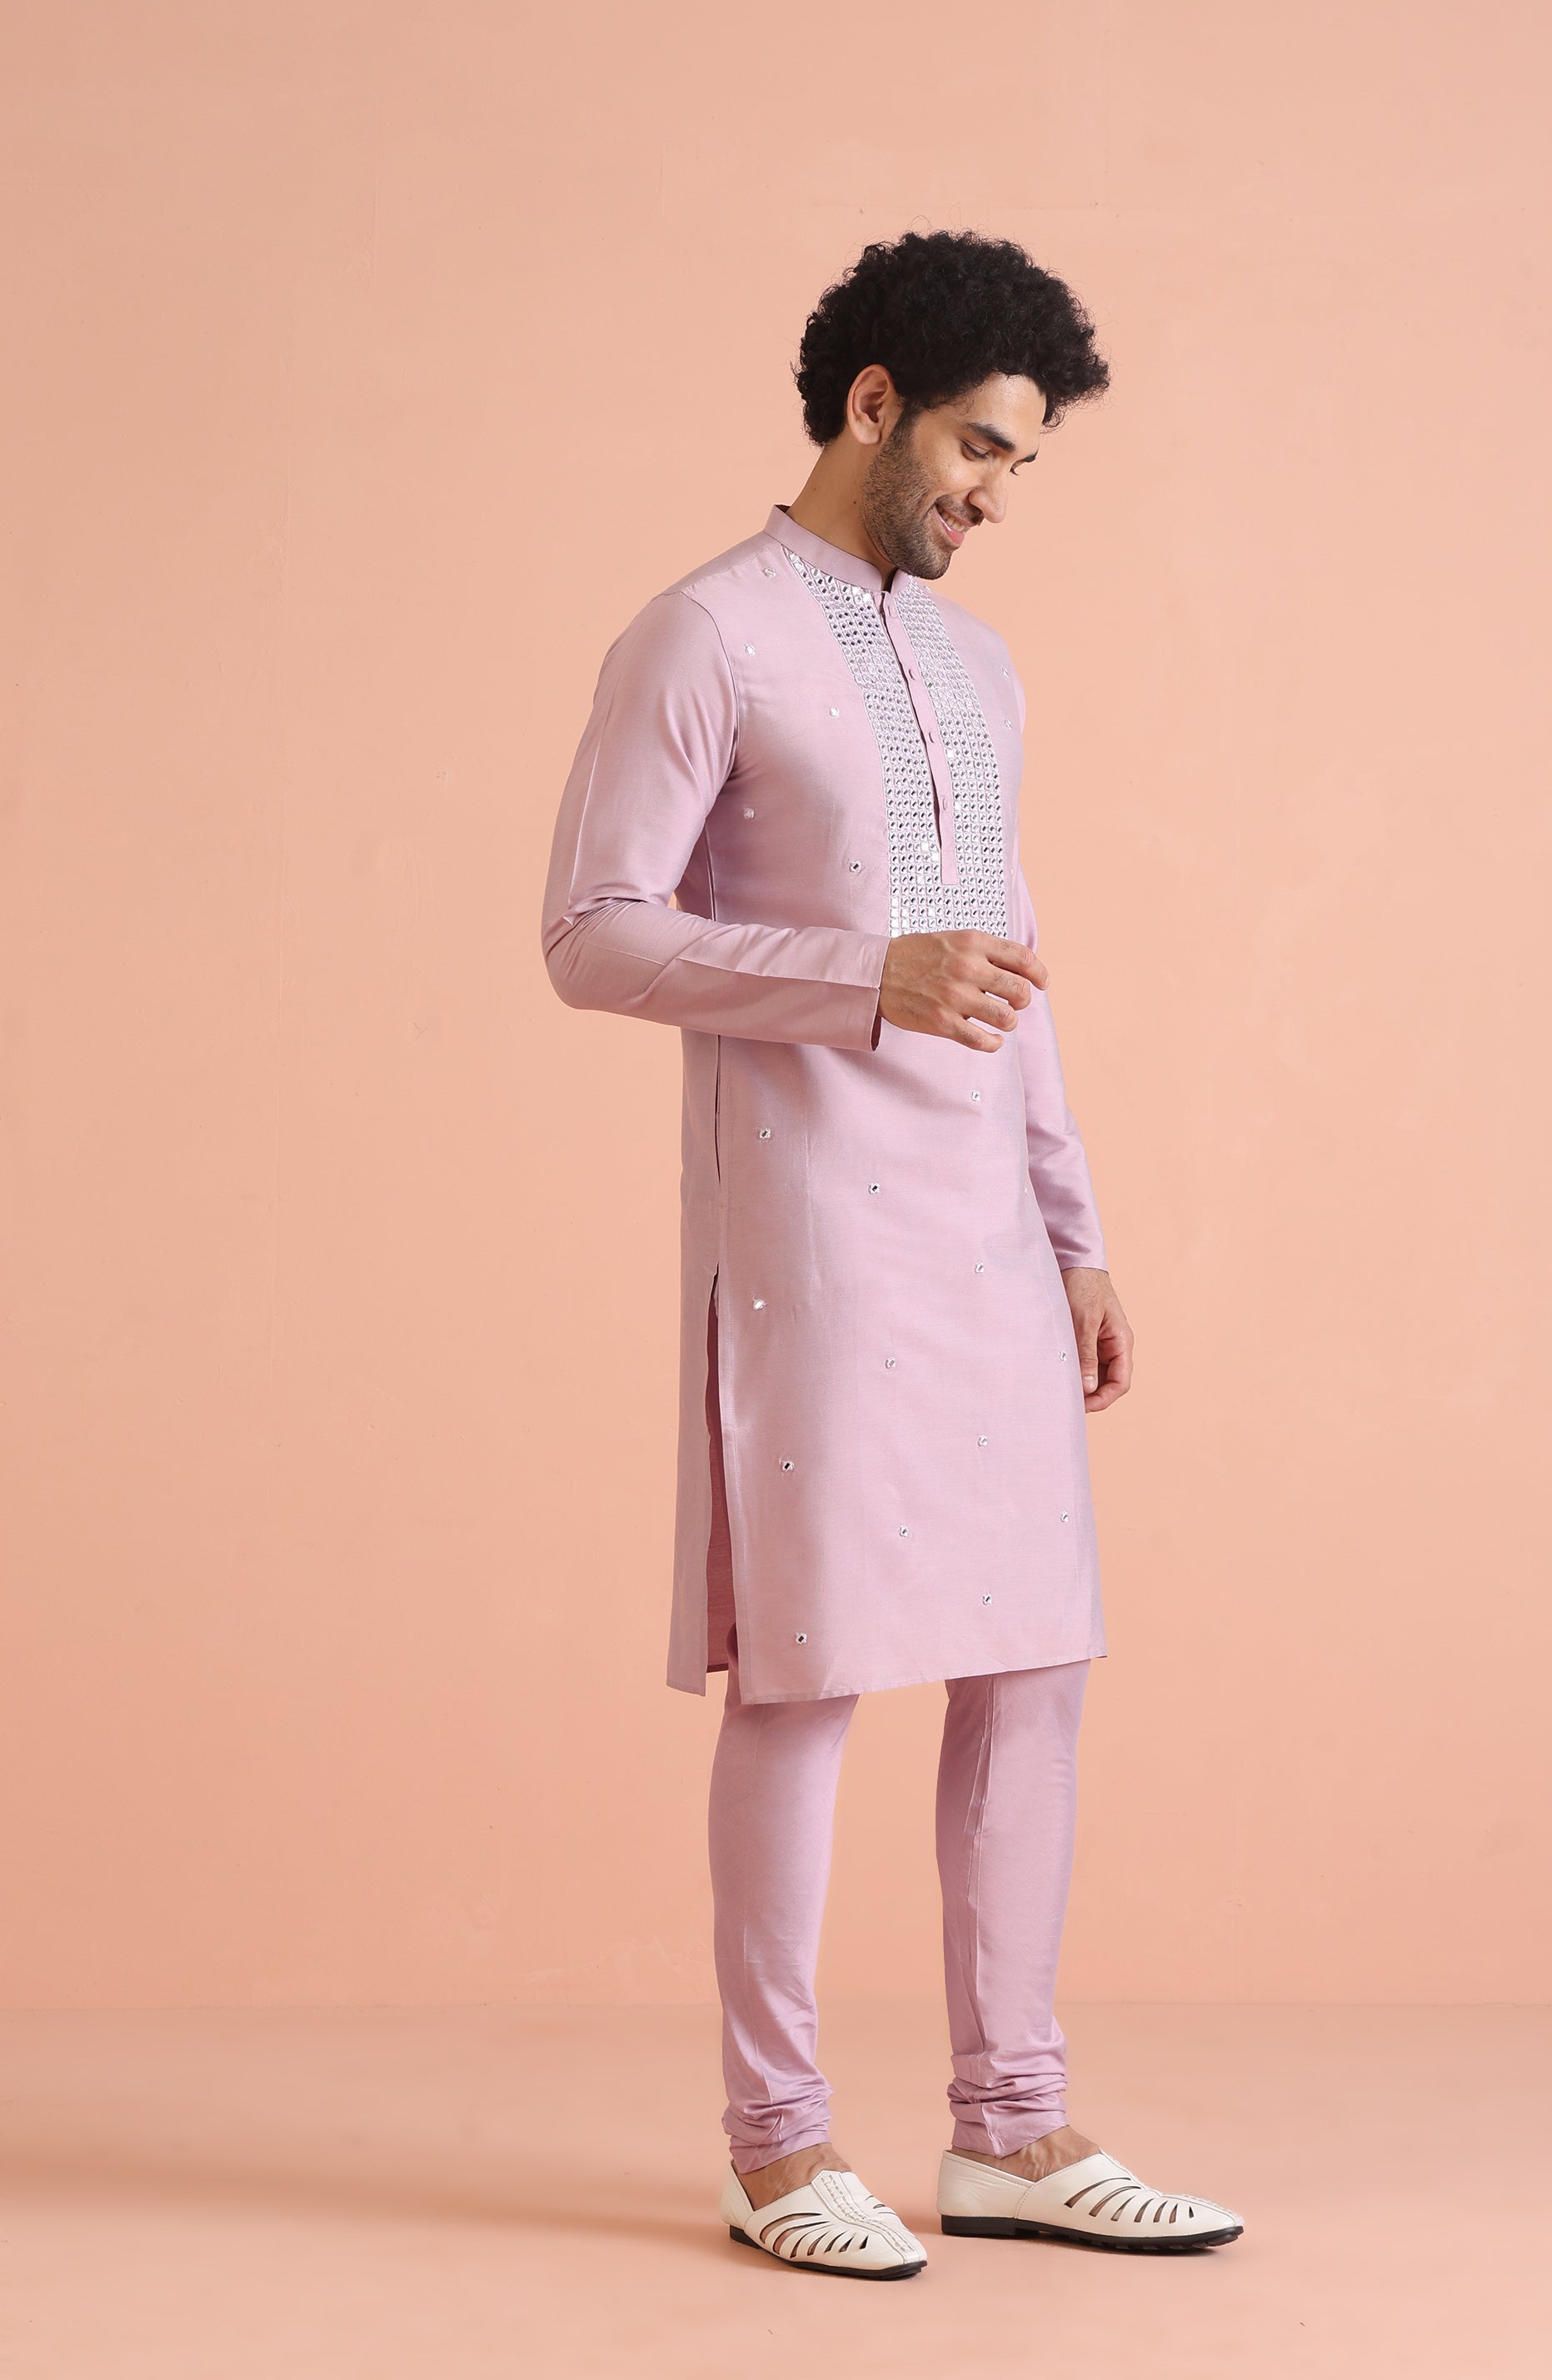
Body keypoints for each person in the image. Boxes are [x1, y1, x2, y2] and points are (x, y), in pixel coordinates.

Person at [541, 230, 1243, 2278]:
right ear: (874, 406)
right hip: (814, 1245)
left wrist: (1076, 1234)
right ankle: (778, 2148)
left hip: (988, 1241)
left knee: (1034, 1660)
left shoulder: (978, 666)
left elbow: (1012, 971)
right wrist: (861, 977)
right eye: (980, 449)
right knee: (812, 1671)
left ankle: (1013, 2126)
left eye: (1021, 463)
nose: (998, 495)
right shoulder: (702, 638)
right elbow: (591, 933)